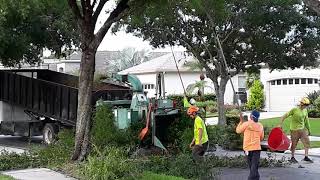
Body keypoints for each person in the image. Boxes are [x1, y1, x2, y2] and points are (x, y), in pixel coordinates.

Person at [279, 97, 313, 163]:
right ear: (302, 104)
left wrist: (309, 129)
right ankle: (292, 157)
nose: (306, 106)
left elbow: (306, 121)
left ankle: (306, 157)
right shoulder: (294, 110)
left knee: (307, 142)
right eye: (305, 105)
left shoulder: (305, 111)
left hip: (302, 130)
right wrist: (280, 124)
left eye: (307, 105)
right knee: (294, 144)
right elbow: (284, 116)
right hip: (294, 130)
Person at [236, 110, 264, 180]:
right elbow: (261, 137)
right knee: (254, 167)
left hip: (247, 149)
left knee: (252, 167)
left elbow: (238, 131)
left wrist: (240, 122)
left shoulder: (246, 124)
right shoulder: (260, 125)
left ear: (251, 116)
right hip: (257, 148)